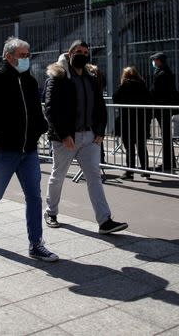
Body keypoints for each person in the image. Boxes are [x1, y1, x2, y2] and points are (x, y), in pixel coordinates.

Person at [0, 37, 58, 262]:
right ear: (8, 57)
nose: (27, 58)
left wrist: (42, 126)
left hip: (28, 150)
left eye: (28, 54)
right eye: (23, 55)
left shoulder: (29, 81)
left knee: (34, 197)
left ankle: (36, 244)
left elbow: (35, 111)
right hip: (4, 150)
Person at [43, 40, 128, 234]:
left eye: (85, 51)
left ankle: (105, 221)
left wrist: (100, 131)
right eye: (78, 51)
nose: (82, 54)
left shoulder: (91, 77)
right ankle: (51, 212)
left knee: (94, 177)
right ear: (69, 53)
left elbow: (100, 106)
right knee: (58, 175)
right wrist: (63, 134)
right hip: (66, 139)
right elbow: (51, 109)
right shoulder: (58, 76)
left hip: (89, 136)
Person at [113, 66, 153, 180]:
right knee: (141, 145)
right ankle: (145, 170)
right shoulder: (143, 85)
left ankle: (129, 172)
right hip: (141, 120)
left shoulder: (124, 86)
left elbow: (115, 98)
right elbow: (149, 100)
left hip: (128, 121)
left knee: (129, 147)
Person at [150, 52, 179, 173]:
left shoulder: (163, 73)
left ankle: (168, 163)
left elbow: (156, 91)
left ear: (159, 61)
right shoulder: (164, 72)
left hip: (163, 108)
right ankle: (170, 161)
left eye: (155, 60)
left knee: (166, 136)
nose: (154, 62)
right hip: (163, 107)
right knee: (166, 135)